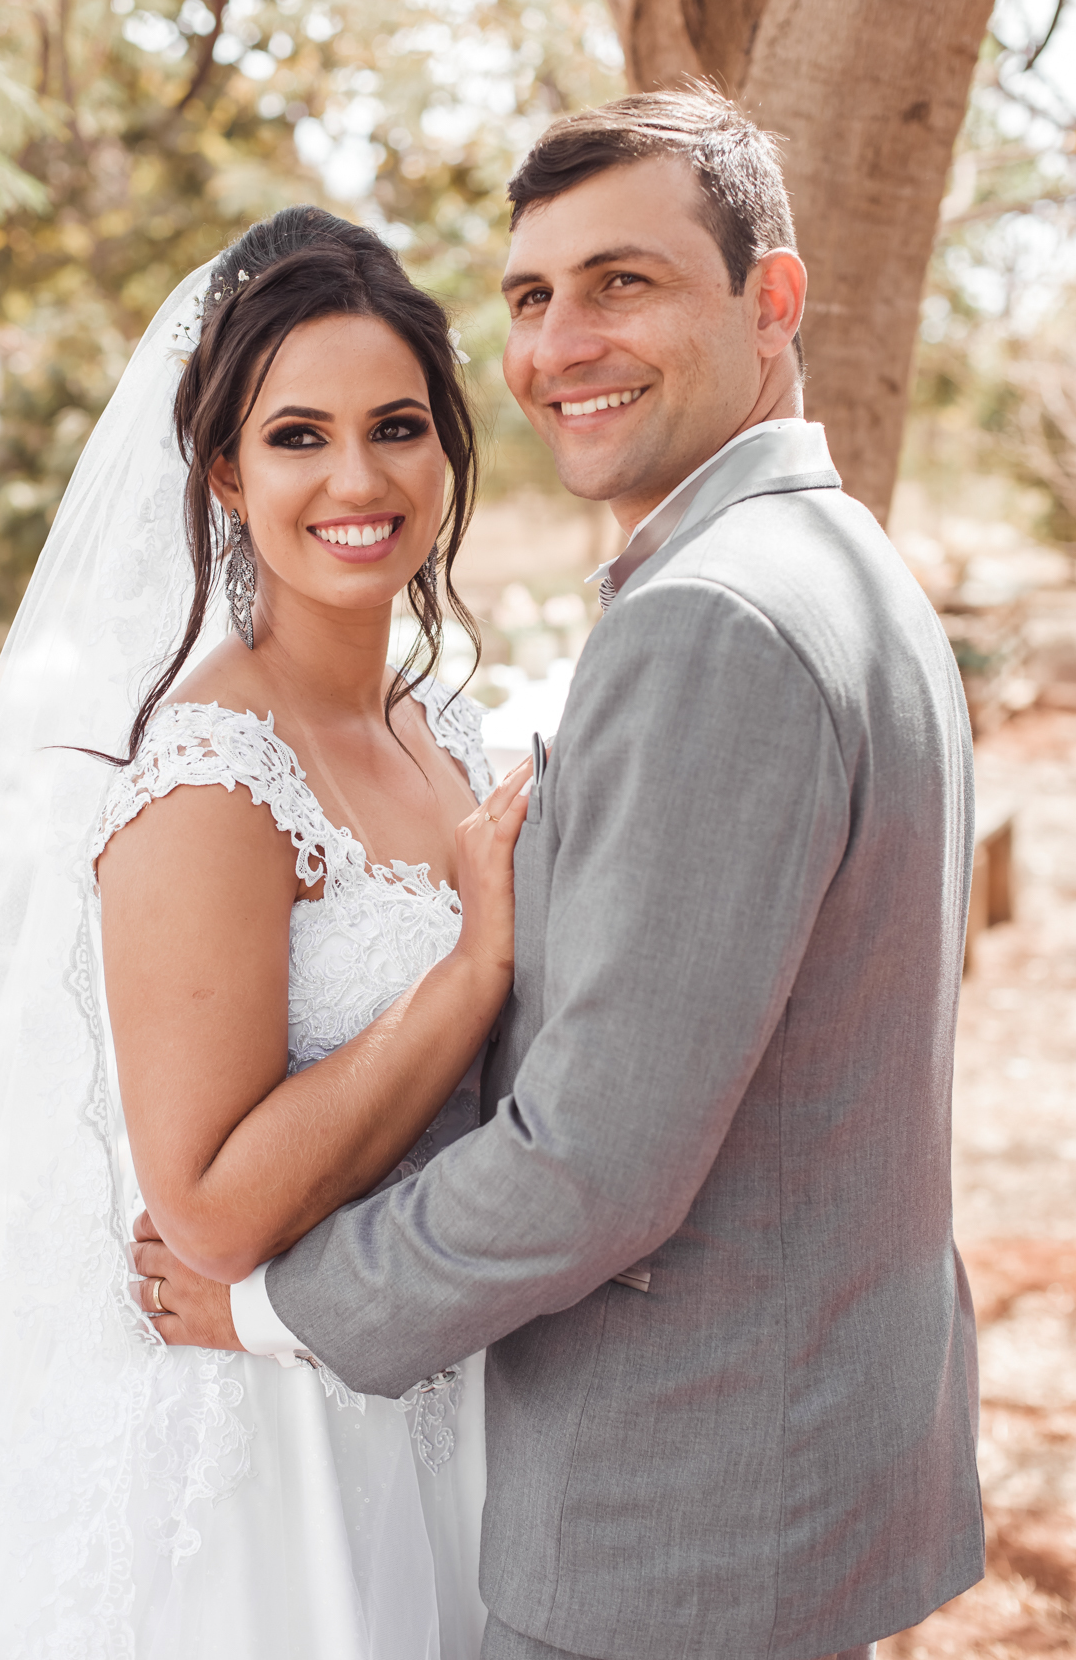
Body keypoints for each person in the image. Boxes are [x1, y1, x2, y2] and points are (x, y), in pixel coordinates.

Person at [145, 89, 984, 1660]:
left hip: (671, 1518)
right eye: (532, 296)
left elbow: (595, 1162)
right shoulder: (849, 564)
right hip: (773, 1475)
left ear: (772, 299)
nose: (560, 343)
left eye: (622, 282)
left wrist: (272, 1310)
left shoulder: (711, 619)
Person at [0, 206, 532, 1658]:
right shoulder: (208, 776)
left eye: (398, 426)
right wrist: (474, 966)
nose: (358, 478)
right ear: (225, 474)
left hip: (435, 1383)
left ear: (447, 448)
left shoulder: (440, 729)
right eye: (298, 436)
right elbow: (211, 1213)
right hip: (269, 1457)